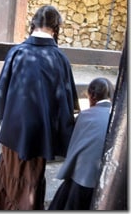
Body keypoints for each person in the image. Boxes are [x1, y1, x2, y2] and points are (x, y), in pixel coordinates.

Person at [0, 5, 80, 210]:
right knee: (32, 178)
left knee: (11, 170)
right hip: (41, 136)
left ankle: (8, 203)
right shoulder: (60, 59)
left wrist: (4, 119)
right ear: (56, 28)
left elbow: (0, 98)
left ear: (33, 24)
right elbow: (66, 104)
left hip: (14, 130)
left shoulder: (17, 53)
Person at [48, 77, 114, 210]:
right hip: (108, 177)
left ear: (92, 96)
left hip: (83, 178)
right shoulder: (116, 116)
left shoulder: (85, 116)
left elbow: (73, 145)